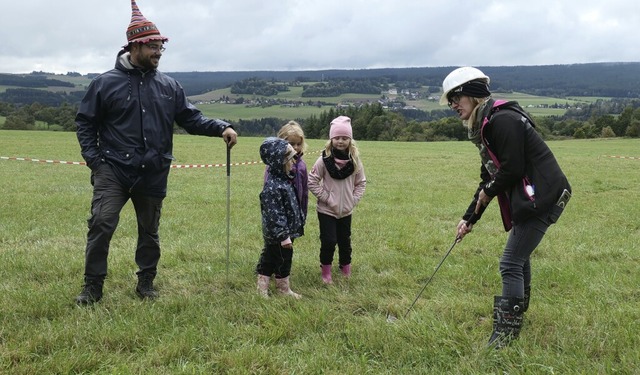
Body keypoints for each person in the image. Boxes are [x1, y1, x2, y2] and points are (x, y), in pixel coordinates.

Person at [74, 0, 238, 305]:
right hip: (112, 169)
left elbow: (190, 118)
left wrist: (221, 127)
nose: (159, 53)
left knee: (149, 232)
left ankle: (146, 282)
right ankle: (92, 286)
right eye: (153, 47)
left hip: (154, 170)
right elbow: (85, 124)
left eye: (161, 47)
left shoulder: (169, 86)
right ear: (135, 47)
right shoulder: (103, 84)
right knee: (101, 223)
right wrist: (95, 162)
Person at [441, 67, 571, 347]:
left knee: (510, 262)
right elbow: (489, 178)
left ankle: (505, 336)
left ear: (474, 95)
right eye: (450, 99)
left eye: (456, 97)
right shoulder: (487, 125)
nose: (452, 105)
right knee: (518, 258)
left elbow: (512, 169)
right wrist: (469, 219)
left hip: (543, 197)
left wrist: (488, 192)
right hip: (531, 199)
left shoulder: (502, 121)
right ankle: (517, 313)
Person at [308, 116, 367, 284]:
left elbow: (361, 183)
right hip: (326, 210)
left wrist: (353, 200)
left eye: (344, 138)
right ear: (331, 139)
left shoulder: (355, 161)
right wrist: (326, 198)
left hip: (346, 210)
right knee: (329, 241)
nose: (340, 141)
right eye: (337, 138)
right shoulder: (323, 160)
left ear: (350, 139)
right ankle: (326, 270)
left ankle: (345, 267)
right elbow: (312, 180)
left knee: (344, 240)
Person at [256, 137, 305, 299]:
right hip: (278, 235)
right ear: (280, 162)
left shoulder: (284, 180)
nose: (293, 163)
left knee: (274, 258)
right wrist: (284, 236)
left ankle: (273, 288)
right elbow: (275, 215)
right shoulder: (273, 187)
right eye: (290, 160)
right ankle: (277, 289)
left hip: (282, 233)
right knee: (278, 260)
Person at [264, 121, 309, 233]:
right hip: (277, 212)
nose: (295, 148)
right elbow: (267, 189)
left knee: (288, 246)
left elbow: (304, 193)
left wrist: (302, 213)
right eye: (291, 144)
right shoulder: (273, 166)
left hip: (294, 213)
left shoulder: (302, 166)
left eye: (298, 144)